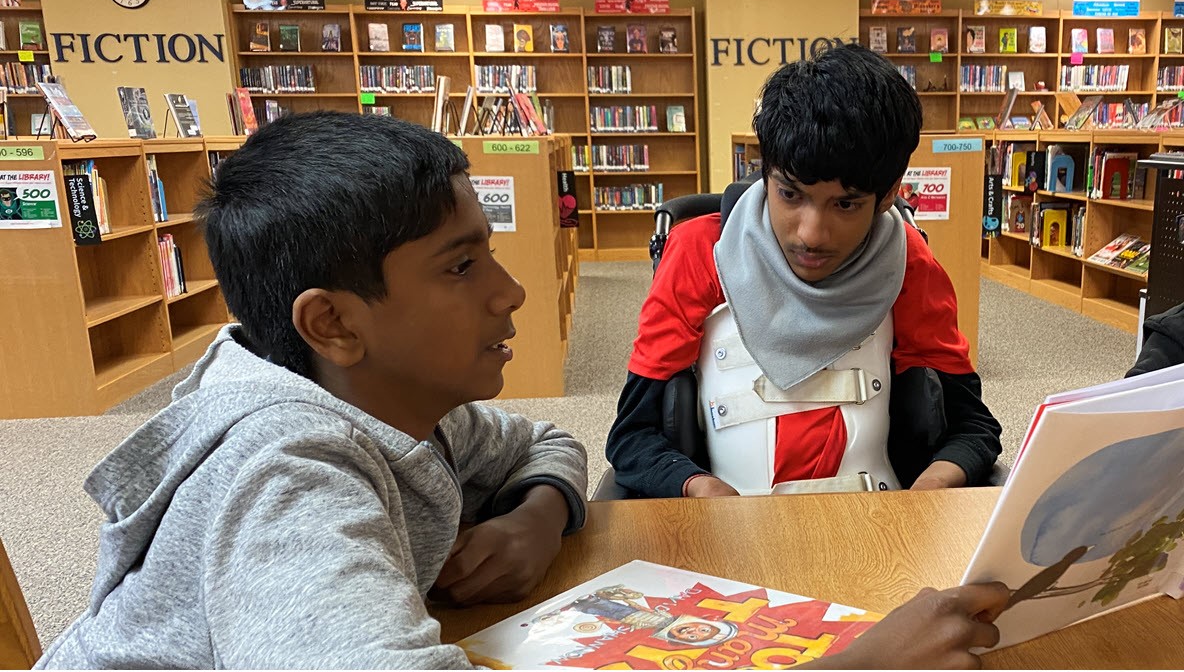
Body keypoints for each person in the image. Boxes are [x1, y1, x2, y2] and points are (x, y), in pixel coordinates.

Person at [35, 112, 589, 669]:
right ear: (333, 324)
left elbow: (543, 443)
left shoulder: (408, 406)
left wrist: (535, 520)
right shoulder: (288, 476)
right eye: (462, 266)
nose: (511, 292)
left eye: (488, 253)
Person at [607, 43, 1002, 499]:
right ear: (765, 172)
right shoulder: (700, 252)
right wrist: (699, 489)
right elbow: (633, 437)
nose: (811, 235)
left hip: (876, 521)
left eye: (847, 204)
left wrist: (928, 489)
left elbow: (973, 426)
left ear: (889, 193)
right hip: (732, 524)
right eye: (790, 194)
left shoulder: (908, 261)